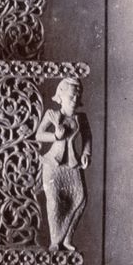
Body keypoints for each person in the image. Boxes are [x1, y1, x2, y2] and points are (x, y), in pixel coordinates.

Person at [35, 77, 91, 252]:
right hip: (53, 164)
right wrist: (55, 136)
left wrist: (86, 153)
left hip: (71, 164)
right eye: (71, 96)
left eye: (77, 96)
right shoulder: (52, 115)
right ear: (61, 96)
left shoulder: (80, 118)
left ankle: (66, 238)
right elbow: (39, 135)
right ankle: (54, 241)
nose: (75, 99)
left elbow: (88, 137)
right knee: (54, 203)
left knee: (80, 199)